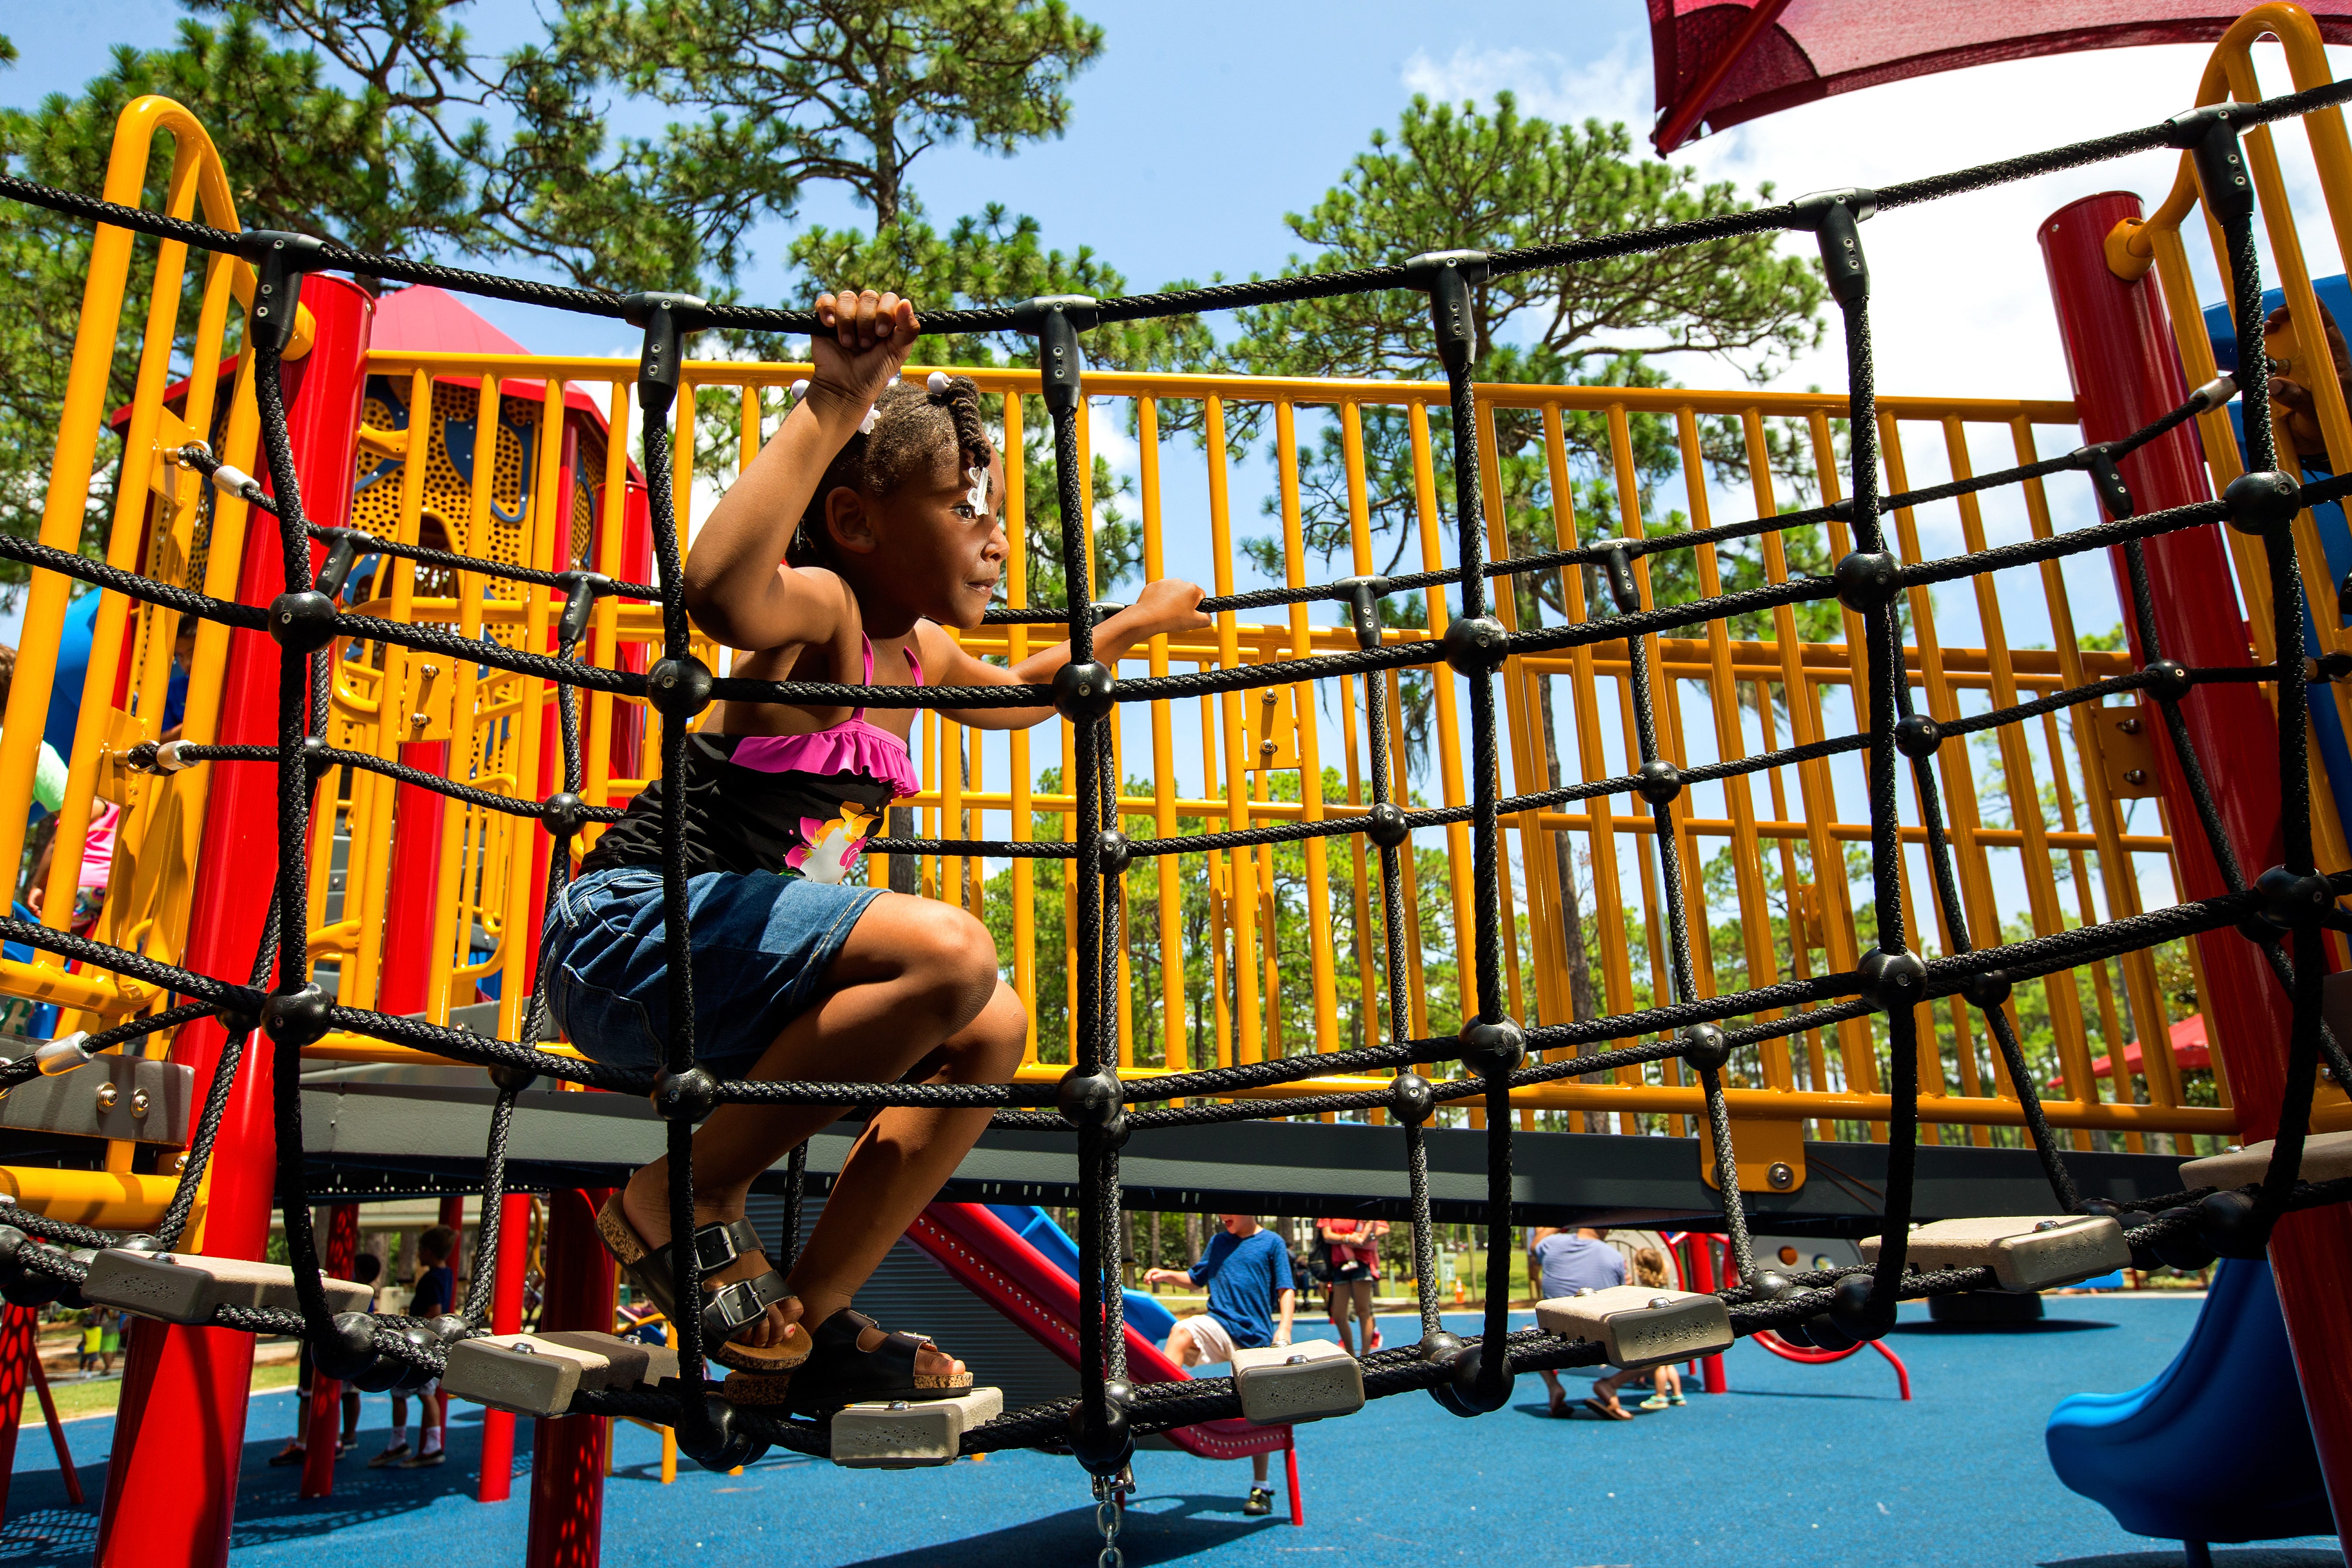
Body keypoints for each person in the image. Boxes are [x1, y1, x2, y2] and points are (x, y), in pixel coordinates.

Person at [538, 285, 1208, 1411]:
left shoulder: (920, 653)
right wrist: (836, 399)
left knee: (994, 1024)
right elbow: (720, 593)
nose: (998, 540)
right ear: (857, 523)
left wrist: (1132, 625)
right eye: (966, 509)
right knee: (953, 952)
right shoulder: (823, 611)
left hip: (738, 983)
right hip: (631, 942)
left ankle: (813, 1314)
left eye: (997, 514)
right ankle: (686, 1196)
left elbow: (1017, 698)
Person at [1144, 1215, 1296, 1517]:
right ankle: (1165, 1404)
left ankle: (1261, 1485)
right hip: (1220, 1324)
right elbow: (1196, 1279)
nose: (1223, 1216)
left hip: (1255, 1336)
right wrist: (1166, 1275)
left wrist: (1285, 1328)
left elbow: (1286, 1289)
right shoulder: (1218, 1242)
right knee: (1181, 1332)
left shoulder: (1271, 1243)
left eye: (1230, 1210)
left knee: (1259, 1409)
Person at [1527, 1225, 1627, 1418]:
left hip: (1557, 1354)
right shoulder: (1613, 1256)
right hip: (1606, 1360)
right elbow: (1621, 1305)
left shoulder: (1551, 1245)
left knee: (1528, 1332)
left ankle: (1554, 1387)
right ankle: (1611, 1385)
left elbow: (1534, 1245)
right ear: (1605, 1229)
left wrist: (1561, 1223)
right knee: (1658, 1345)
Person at [1315, 1216, 1387, 1358]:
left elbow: (1383, 1227)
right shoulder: (1328, 1214)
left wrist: (1366, 1237)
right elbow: (1327, 1236)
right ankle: (1351, 1353)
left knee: (1363, 1310)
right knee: (1338, 1314)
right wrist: (1348, 1239)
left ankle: (1365, 1355)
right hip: (1339, 1265)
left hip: (1362, 1263)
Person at [1629, 1248, 1686, 1411]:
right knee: (1669, 1364)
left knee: (1659, 1365)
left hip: (1656, 1333)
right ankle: (1677, 1394)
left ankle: (1661, 1396)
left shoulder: (1645, 1288)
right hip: (1669, 1329)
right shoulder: (1662, 1281)